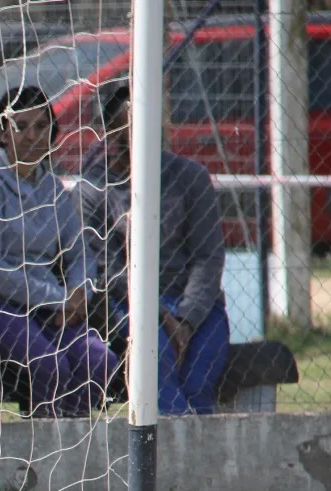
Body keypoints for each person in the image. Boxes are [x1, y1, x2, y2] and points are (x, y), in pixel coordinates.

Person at [0, 86, 119, 418]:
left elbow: (79, 251)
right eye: (21, 126)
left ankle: (72, 437)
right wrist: (58, 299)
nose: (32, 136)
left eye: (41, 126)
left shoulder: (51, 186)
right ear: (2, 131)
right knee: (49, 364)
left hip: (46, 304)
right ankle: (43, 443)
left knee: (100, 360)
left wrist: (79, 292)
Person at [80, 85, 230, 415]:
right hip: (130, 306)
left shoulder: (191, 178)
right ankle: (176, 442)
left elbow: (208, 257)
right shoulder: (93, 189)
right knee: (156, 365)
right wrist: (161, 315)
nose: (145, 130)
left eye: (151, 119)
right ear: (111, 131)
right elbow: (108, 270)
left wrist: (185, 319)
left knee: (199, 380)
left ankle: (196, 441)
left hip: (195, 308)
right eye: (131, 123)